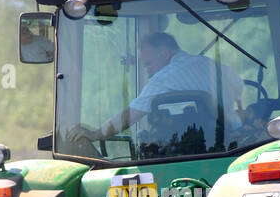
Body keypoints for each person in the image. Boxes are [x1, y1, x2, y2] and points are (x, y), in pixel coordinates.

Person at [92, 32, 242, 140]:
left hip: (194, 148)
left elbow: (128, 117)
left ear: (164, 52)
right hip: (235, 139)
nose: (148, 70)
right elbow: (238, 88)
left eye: (148, 64)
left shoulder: (163, 78)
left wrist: (96, 134)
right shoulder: (210, 64)